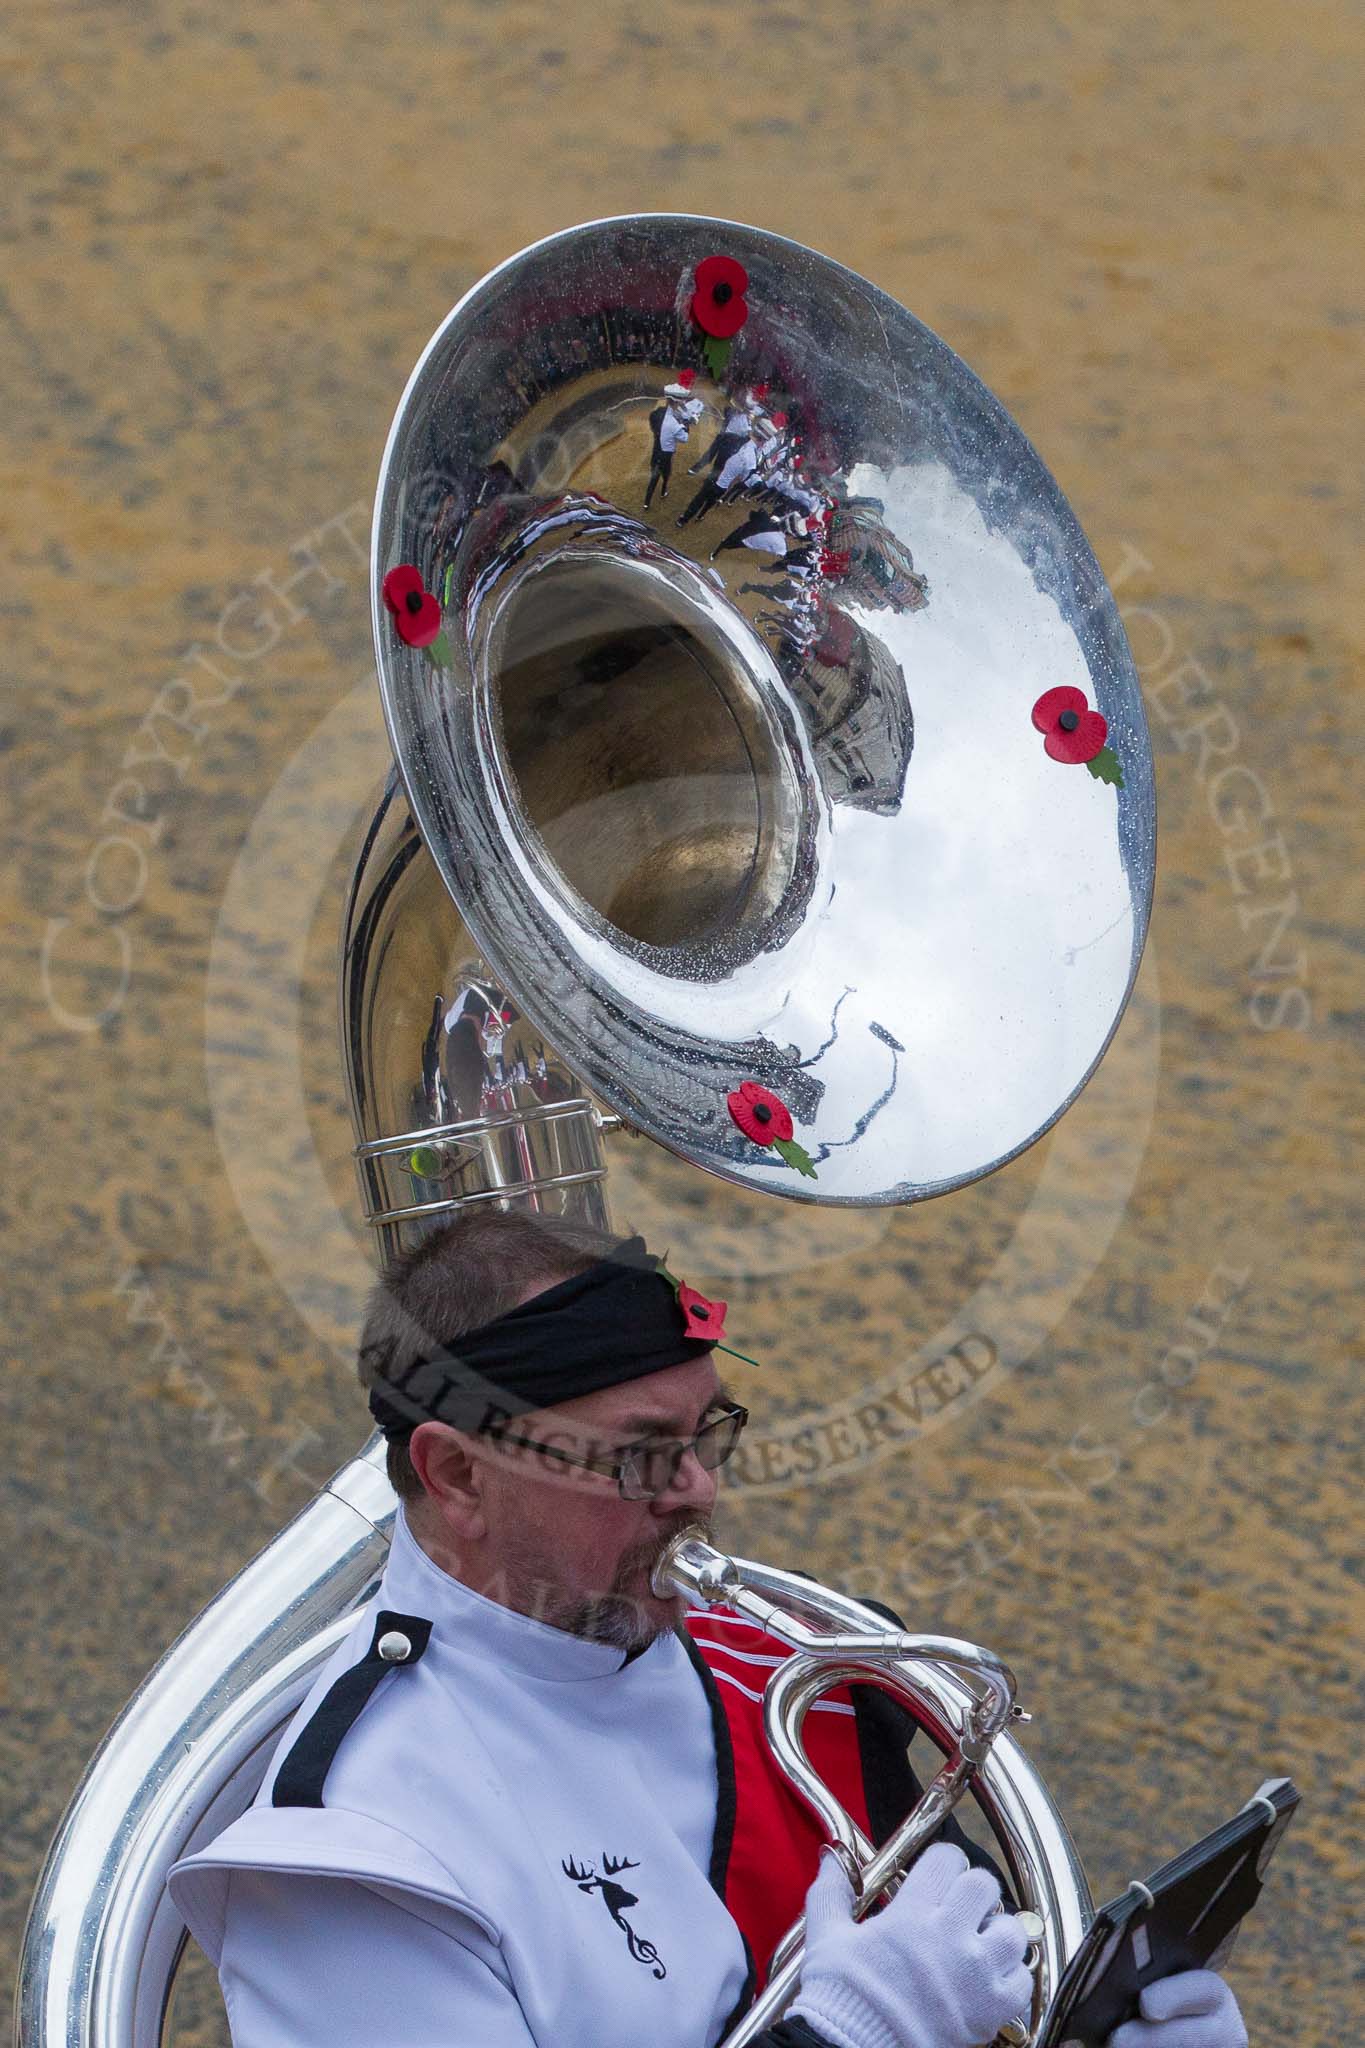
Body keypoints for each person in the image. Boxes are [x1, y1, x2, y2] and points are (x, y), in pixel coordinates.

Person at [168, 1210, 1248, 2048]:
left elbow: (969, 1987)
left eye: (708, 1432)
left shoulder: (797, 1673)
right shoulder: (359, 1848)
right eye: (638, 1454)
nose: (695, 1490)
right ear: (459, 1473)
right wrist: (839, 2033)